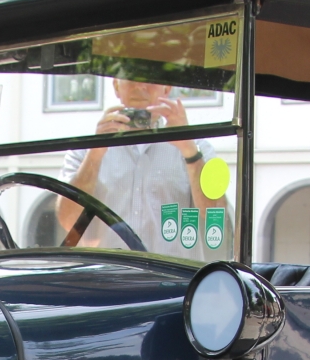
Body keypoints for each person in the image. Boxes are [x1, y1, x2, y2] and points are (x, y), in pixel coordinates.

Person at [56, 80, 226, 255]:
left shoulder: (197, 146)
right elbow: (69, 221)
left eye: (150, 79)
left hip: (172, 276)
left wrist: (190, 151)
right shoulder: (86, 149)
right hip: (109, 276)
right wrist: (96, 152)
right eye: (130, 78)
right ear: (116, 86)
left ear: (167, 87)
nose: (139, 86)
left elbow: (216, 213)